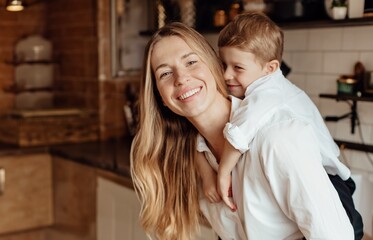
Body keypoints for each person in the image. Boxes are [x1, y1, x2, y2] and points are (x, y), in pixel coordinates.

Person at [130, 21, 354, 240]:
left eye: (191, 62)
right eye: (165, 74)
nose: (181, 78)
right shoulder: (193, 162)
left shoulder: (278, 138)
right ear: (161, 98)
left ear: (215, 66)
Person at [215, 11, 363, 239]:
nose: (226, 75)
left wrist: (223, 173)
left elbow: (239, 134)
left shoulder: (267, 92)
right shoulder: (274, 88)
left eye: (237, 68)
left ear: (271, 68)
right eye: (223, 64)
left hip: (331, 184)